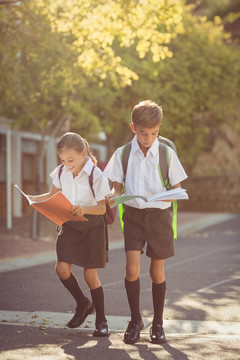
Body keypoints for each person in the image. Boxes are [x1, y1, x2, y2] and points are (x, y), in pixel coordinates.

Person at [103, 100, 188, 344]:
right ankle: (135, 320)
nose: (149, 138)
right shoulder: (122, 153)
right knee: (131, 269)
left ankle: (158, 323)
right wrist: (113, 197)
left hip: (160, 216)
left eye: (154, 133)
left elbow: (178, 189)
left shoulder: (166, 153)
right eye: (143, 133)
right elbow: (115, 189)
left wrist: (169, 195)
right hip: (133, 216)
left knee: (156, 271)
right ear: (133, 128)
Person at [28, 132, 110, 337]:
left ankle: (102, 321)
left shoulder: (96, 175)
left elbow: (101, 209)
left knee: (90, 276)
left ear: (83, 153)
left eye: (71, 160)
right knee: (61, 269)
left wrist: (83, 208)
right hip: (69, 224)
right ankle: (83, 303)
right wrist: (33, 198)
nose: (67, 164)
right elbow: (53, 195)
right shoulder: (61, 172)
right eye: (63, 160)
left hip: (92, 226)